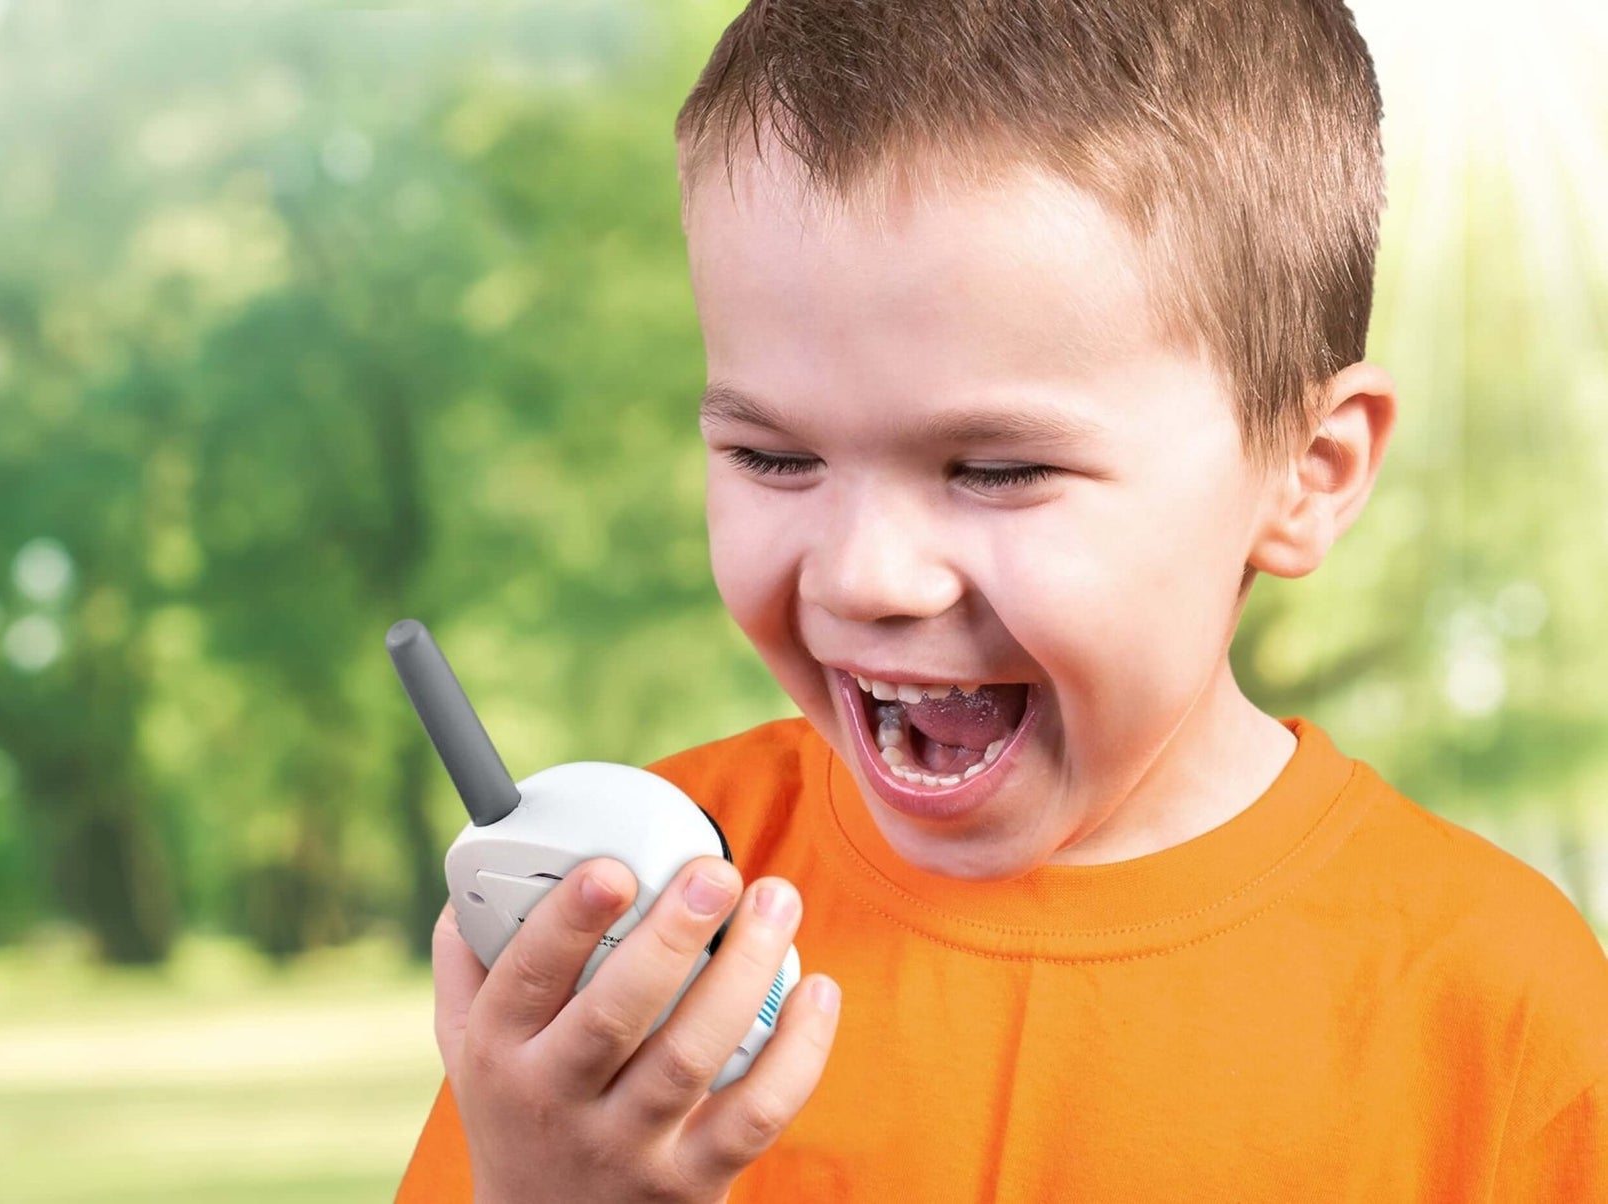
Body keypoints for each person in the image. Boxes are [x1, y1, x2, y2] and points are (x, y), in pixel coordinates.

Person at [395, 1, 1608, 1199]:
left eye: (996, 469)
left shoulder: (1497, 1009)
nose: (863, 575)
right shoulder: (629, 923)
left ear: (1305, 473)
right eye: (771, 457)